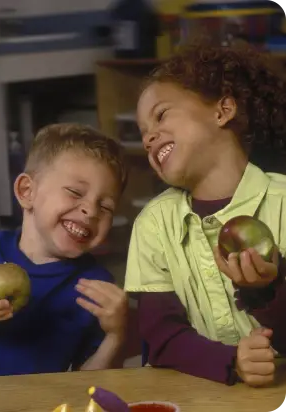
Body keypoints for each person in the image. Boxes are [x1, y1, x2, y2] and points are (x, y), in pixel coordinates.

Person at [124, 40, 286, 387]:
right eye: (142, 134)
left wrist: (266, 289)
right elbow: (161, 337)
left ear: (222, 110)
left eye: (162, 114)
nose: (150, 137)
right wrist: (232, 362)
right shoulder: (153, 224)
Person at [0, 123, 129, 378]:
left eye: (105, 207)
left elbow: (92, 386)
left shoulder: (96, 287)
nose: (91, 211)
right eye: (75, 192)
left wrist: (116, 336)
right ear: (27, 192)